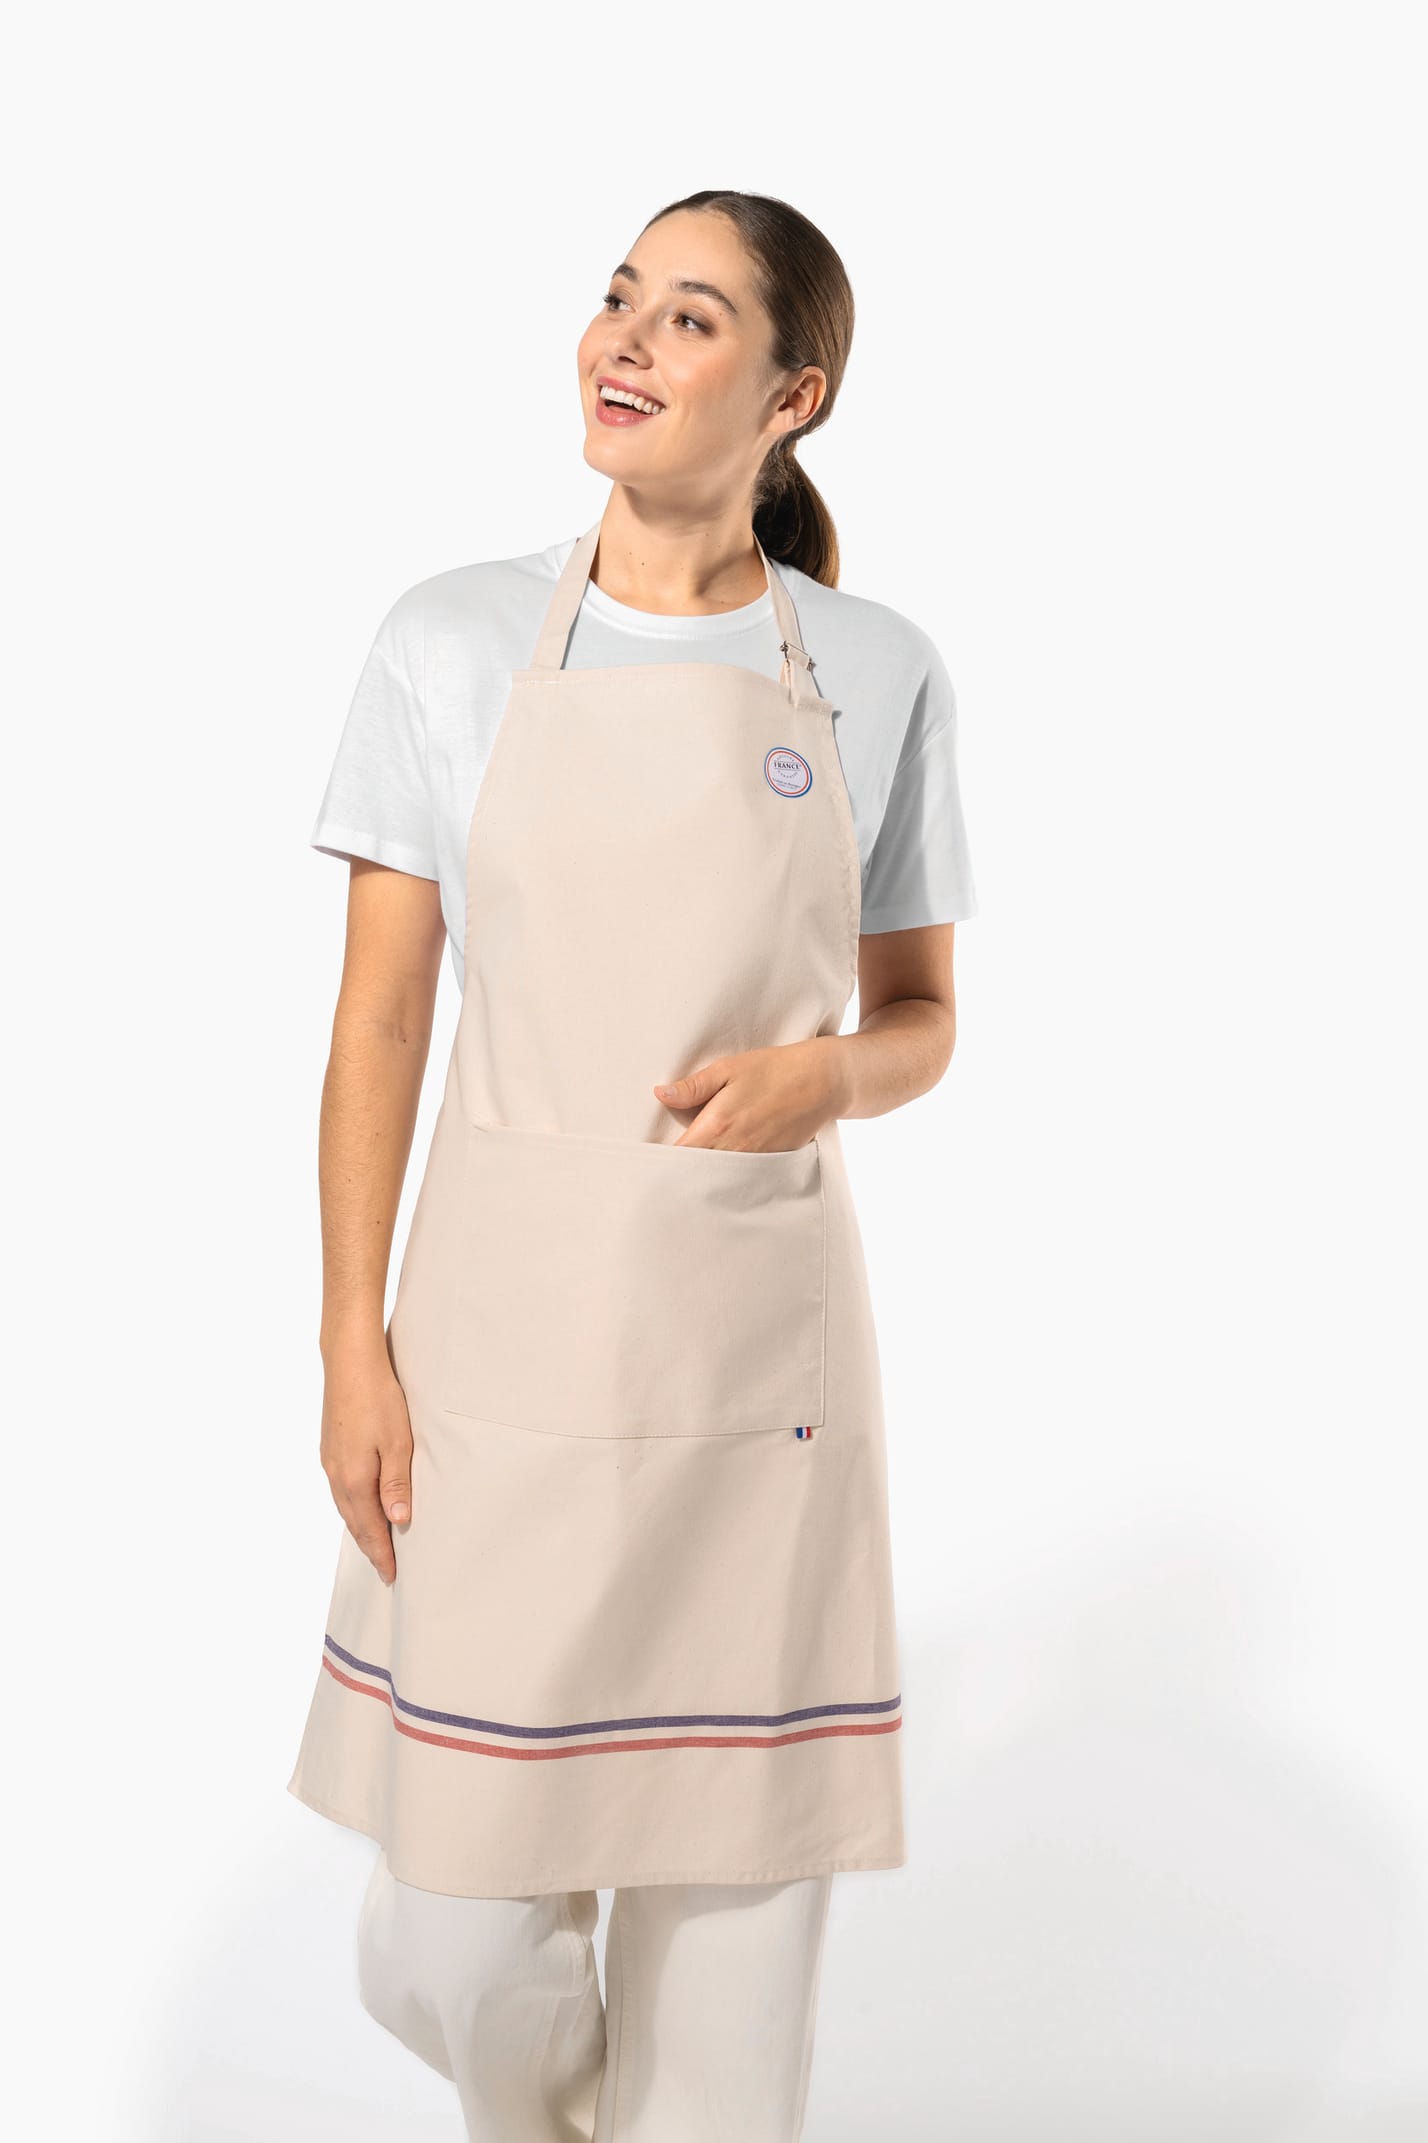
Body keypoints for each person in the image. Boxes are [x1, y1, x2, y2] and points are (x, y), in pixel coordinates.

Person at [286, 187, 979, 2142]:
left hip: (754, 1371)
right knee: (454, 1940)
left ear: (792, 395)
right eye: (619, 298)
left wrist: (825, 1075)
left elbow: (924, 1017)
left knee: (729, 2004)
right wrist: (349, 1340)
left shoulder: (877, 669)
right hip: (495, 1361)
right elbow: (381, 1023)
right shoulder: (448, 639)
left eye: (690, 317)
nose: (627, 339)